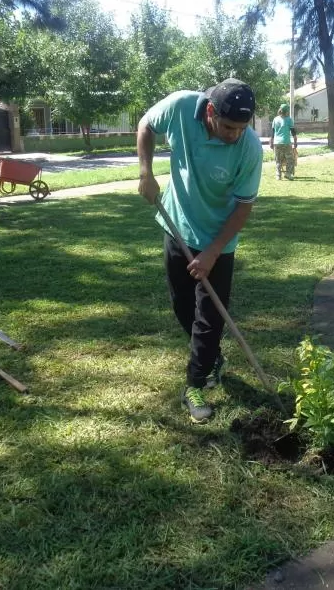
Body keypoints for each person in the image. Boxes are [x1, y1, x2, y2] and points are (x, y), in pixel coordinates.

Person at [137, 78, 262, 423]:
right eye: (227, 126)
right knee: (182, 307)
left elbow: (243, 207)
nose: (234, 134)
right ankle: (212, 358)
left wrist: (212, 252)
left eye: (241, 128)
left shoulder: (249, 148)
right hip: (177, 227)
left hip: (218, 241)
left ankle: (195, 382)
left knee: (210, 318)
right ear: (210, 111)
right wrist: (146, 171)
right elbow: (146, 124)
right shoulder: (180, 107)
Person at [269, 103, 298, 180]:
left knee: (278, 160)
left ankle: (278, 175)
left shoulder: (275, 119)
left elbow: (272, 132)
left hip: (277, 143)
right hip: (286, 142)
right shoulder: (289, 120)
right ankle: (288, 174)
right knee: (290, 159)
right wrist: (295, 142)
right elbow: (293, 132)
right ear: (287, 111)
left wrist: (271, 142)